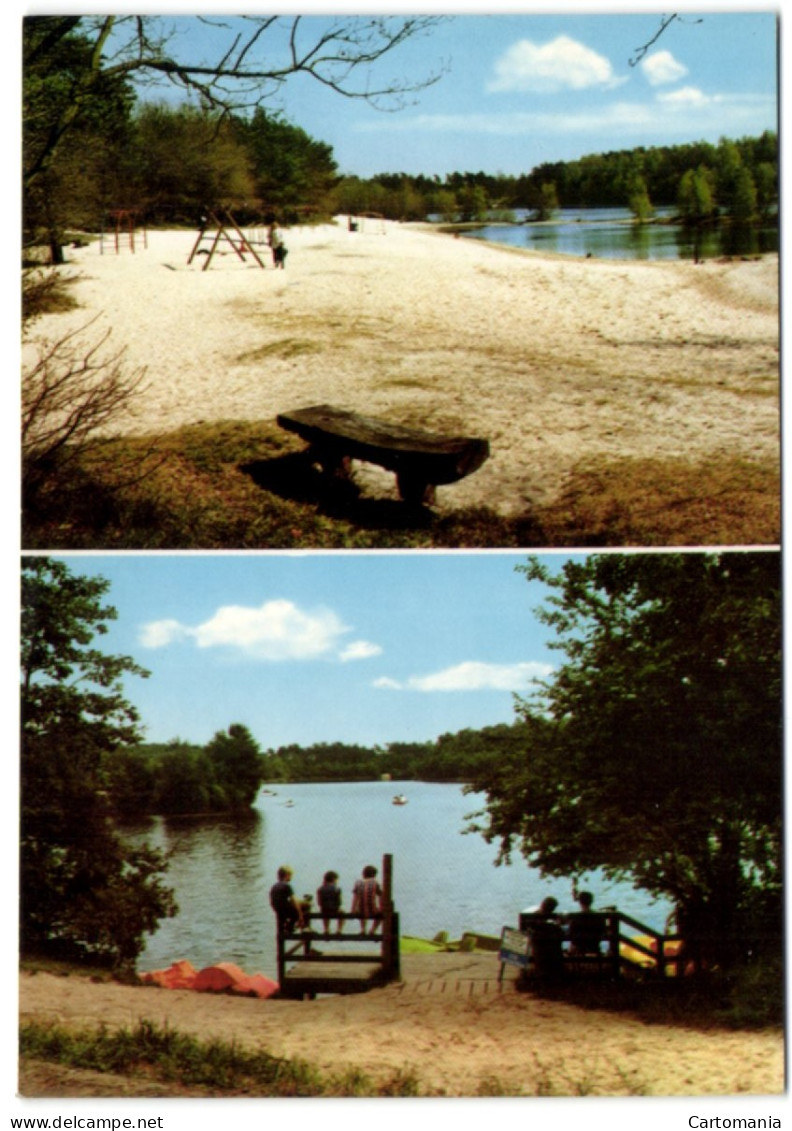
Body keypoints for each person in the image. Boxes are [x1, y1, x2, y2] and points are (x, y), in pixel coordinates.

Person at [567, 890, 607, 956]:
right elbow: (603, 932)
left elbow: (571, 934)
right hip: (594, 948)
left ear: (580, 902)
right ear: (591, 901)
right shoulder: (599, 917)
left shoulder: (575, 917)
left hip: (579, 950)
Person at [269, 865, 304, 936]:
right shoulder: (287, 886)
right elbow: (294, 900)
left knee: (286, 914)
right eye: (291, 875)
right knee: (303, 907)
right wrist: (300, 915)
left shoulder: (274, 886)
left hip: (278, 909)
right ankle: (299, 928)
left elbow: (271, 901)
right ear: (287, 875)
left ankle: (288, 927)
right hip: (285, 909)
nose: (291, 877)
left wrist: (275, 909)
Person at [350, 864, 382, 936]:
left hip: (361, 909)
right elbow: (381, 896)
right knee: (380, 915)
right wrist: (380, 908)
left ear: (363, 874)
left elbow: (355, 898)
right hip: (372, 909)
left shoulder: (358, 882)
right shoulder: (375, 883)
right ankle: (372, 930)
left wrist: (353, 909)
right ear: (374, 875)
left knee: (361, 907)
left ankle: (363, 929)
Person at [317, 870, 343, 936]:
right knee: (342, 914)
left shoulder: (320, 889)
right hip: (334, 909)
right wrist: (337, 907)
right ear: (334, 879)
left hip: (324, 910)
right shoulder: (337, 889)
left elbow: (319, 902)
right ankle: (339, 930)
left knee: (325, 914)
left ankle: (326, 929)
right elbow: (339, 902)